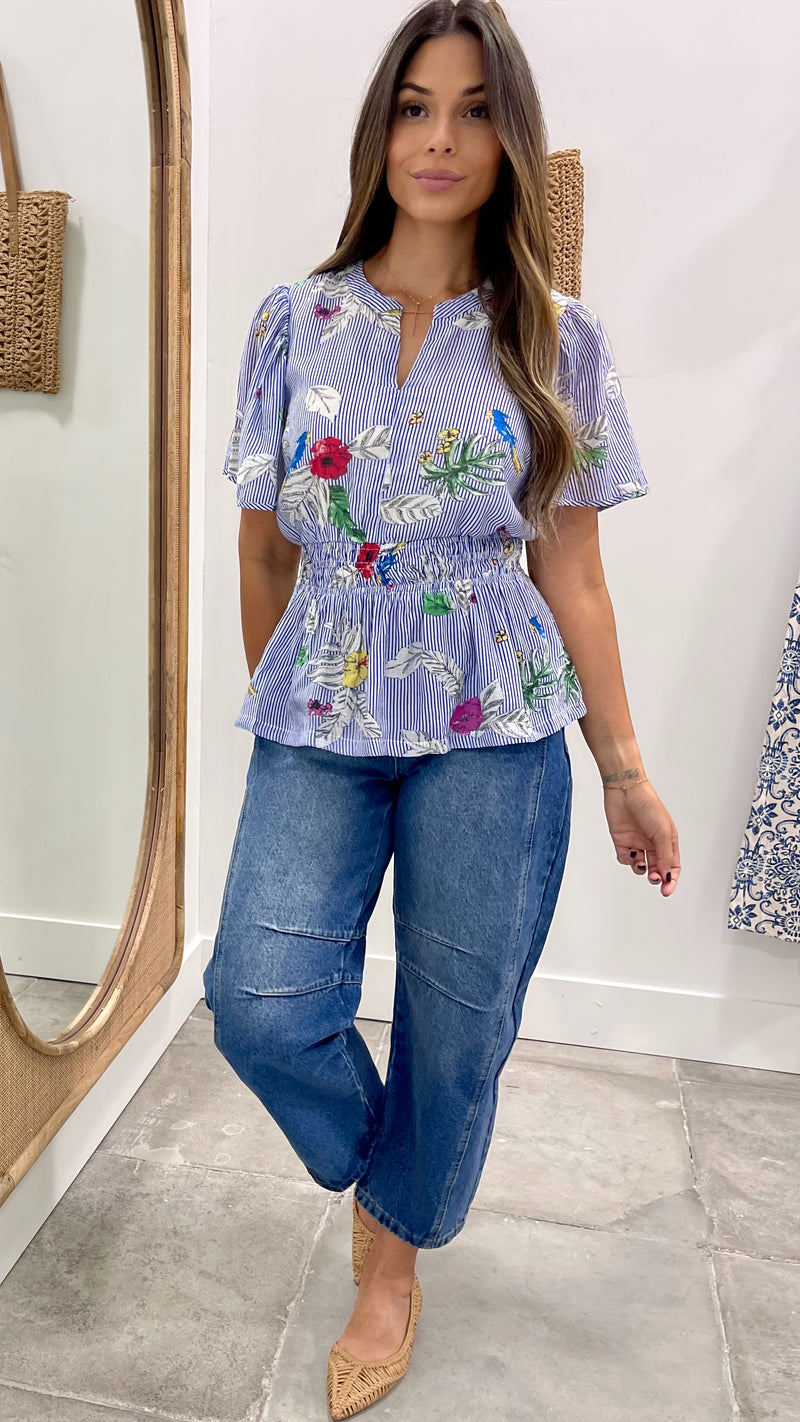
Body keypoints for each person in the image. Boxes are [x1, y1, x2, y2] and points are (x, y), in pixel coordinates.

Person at [203, 1, 681, 1415]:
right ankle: (395, 1173)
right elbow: (262, 546)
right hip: (323, 705)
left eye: (475, 110)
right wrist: (282, 709)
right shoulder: (297, 318)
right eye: (415, 105)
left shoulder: (557, 335)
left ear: (510, 139)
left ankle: (392, 1261)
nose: (441, 137)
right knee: (261, 1000)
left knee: (460, 1021)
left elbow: (575, 572)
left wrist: (626, 767)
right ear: (380, 128)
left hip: (504, 711)